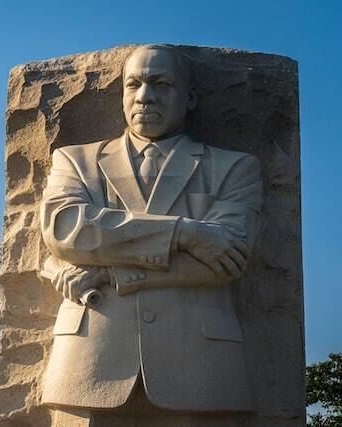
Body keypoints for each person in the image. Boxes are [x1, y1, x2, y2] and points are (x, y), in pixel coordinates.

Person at [39, 45, 263, 418]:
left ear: (189, 96)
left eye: (160, 83)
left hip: (200, 363)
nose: (145, 96)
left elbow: (227, 259)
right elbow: (66, 230)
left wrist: (113, 271)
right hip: (89, 354)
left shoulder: (234, 168)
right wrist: (186, 234)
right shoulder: (74, 161)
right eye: (134, 84)